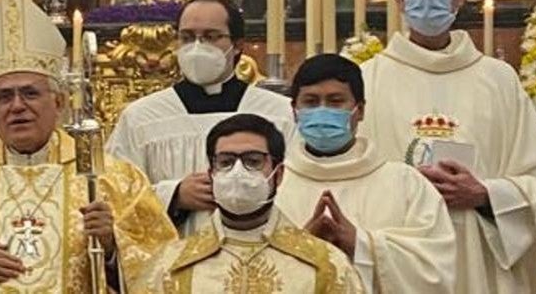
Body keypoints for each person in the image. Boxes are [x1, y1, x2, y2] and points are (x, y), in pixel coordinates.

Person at [0, 0, 176, 292]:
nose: (17, 106)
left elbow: (163, 266)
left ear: (58, 103)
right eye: (4, 97)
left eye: (30, 93)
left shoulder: (113, 180)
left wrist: (112, 247)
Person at [359, 0, 536, 293]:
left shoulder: (498, 79)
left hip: (481, 262)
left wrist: (486, 194)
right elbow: (352, 179)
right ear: (398, 1)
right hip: (401, 258)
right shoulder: (368, 79)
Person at [107, 0, 294, 235]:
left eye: (211, 37)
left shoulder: (279, 112)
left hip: (260, 252)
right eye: (187, 37)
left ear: (237, 45)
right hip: (173, 258)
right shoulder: (141, 117)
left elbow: (299, 189)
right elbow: (115, 192)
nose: (197, 47)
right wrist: (174, 196)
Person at [276, 54, 456, 293]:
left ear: (359, 110)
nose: (322, 111)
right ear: (294, 110)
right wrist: (302, 246)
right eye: (311, 102)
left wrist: (361, 244)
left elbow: (437, 268)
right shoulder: (275, 183)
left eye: (335, 101)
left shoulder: (404, 183)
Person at [134, 113, 364, 293]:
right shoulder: (170, 265)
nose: (237, 172)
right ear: (211, 172)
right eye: (225, 162)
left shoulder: (326, 265)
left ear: (278, 174)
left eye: (253, 161)